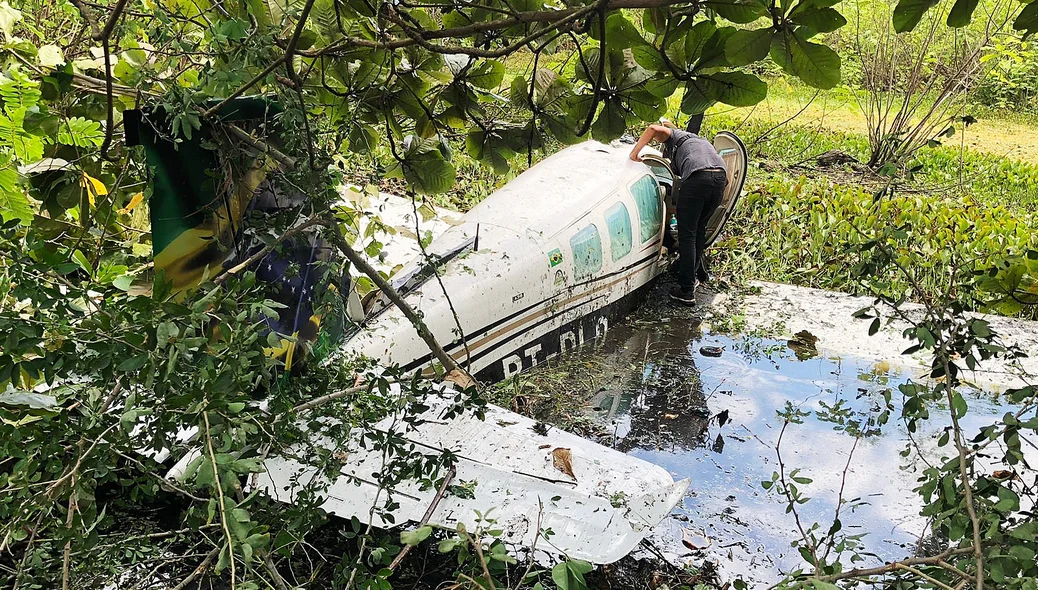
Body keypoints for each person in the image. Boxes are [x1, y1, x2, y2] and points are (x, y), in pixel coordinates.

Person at [629, 121, 727, 306]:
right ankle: (695, 275)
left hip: (698, 177)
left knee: (687, 235)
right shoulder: (698, 142)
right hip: (720, 179)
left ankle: (686, 290)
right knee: (698, 231)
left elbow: (652, 128)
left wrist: (634, 153)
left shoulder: (675, 136)